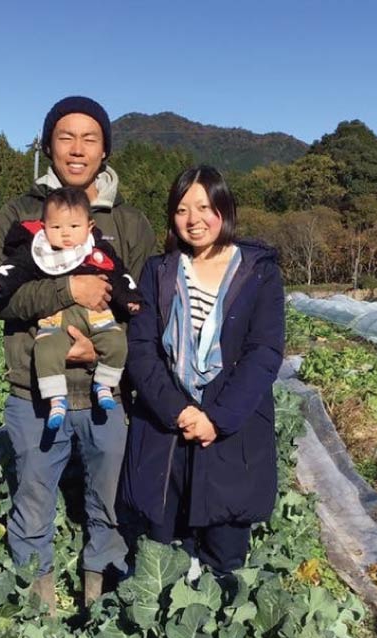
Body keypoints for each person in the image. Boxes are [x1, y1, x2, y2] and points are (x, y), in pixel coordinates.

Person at [0, 96, 155, 613]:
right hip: (33, 393)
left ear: (105, 150)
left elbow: (142, 304)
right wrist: (69, 292)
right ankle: (41, 607)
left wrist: (96, 349)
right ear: (48, 145)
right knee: (32, 504)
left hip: (109, 393)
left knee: (110, 504)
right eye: (65, 137)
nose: (77, 149)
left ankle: (99, 598)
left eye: (90, 138)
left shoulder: (130, 223)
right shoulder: (19, 217)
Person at [120, 164, 284, 578]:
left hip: (230, 435)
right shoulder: (158, 272)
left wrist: (217, 419)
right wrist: (180, 410)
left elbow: (263, 351)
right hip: (166, 433)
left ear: (224, 209)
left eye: (205, 207)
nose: (194, 220)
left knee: (224, 560)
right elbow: (141, 349)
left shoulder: (258, 272)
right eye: (182, 209)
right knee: (161, 557)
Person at [0, 186, 142, 429]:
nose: (65, 234)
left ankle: (105, 384)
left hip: (97, 319)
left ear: (89, 227)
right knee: (46, 349)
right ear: (44, 227)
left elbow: (120, 278)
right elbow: (12, 270)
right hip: (55, 321)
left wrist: (130, 298)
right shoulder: (36, 252)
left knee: (116, 342)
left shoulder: (99, 251)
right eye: (56, 228)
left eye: (74, 227)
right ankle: (55, 397)